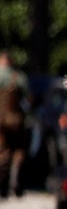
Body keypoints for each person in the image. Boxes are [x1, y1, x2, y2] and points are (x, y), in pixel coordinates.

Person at [0, 51, 30, 198]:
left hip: (0, 120)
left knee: (2, 151)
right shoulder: (18, 77)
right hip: (16, 119)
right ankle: (15, 180)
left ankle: (2, 185)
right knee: (19, 150)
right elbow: (29, 98)